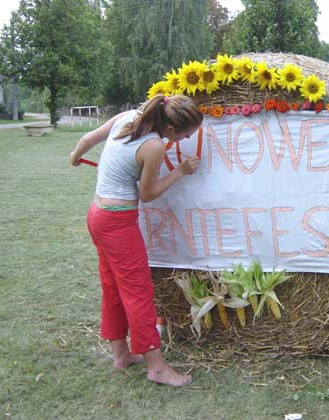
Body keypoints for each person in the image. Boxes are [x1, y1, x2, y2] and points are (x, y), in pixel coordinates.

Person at [69, 94, 203, 387]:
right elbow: (148, 193)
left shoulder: (128, 117)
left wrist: (75, 155)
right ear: (169, 130)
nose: (184, 140)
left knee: (113, 285)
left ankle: (121, 355)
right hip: (117, 223)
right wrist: (180, 171)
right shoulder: (153, 145)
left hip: (97, 215)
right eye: (184, 135)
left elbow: (88, 138)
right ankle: (156, 367)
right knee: (138, 291)